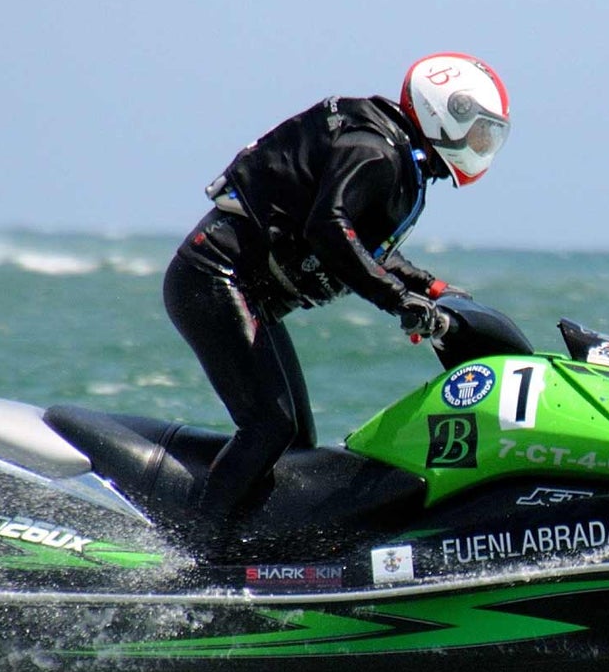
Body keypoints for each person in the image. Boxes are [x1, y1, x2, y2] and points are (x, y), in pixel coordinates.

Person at [164, 52, 510, 526]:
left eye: (490, 135)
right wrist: (394, 299)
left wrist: (429, 287)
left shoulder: (399, 156)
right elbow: (329, 228)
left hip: (246, 294)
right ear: (445, 112)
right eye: (479, 130)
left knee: (295, 443)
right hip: (213, 277)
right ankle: (197, 556)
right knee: (269, 428)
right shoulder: (376, 150)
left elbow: (369, 249)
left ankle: (258, 553)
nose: (482, 143)